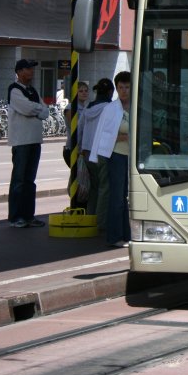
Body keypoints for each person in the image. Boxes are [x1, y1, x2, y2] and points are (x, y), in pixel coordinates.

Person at [90, 72, 131, 247]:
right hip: (117, 156)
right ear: (116, 88)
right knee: (117, 197)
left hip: (134, 158)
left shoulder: (137, 106)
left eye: (127, 87)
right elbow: (103, 134)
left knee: (126, 197)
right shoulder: (111, 109)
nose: (124, 91)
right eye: (121, 87)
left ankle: (127, 235)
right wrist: (123, 137)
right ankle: (115, 236)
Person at [7, 59, 49, 228]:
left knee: (30, 181)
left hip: (35, 140)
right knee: (19, 180)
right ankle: (15, 216)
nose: (31, 71)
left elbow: (46, 111)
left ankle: (28, 215)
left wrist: (36, 109)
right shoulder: (14, 89)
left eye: (32, 68)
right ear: (19, 72)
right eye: (27, 68)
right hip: (21, 141)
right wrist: (38, 109)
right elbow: (27, 108)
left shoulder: (33, 90)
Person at [79, 78, 114, 229]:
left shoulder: (88, 107)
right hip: (102, 152)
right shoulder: (110, 108)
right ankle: (101, 222)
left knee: (94, 188)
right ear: (110, 92)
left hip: (87, 152)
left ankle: (90, 218)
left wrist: (79, 149)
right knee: (104, 188)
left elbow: (80, 129)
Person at [63, 81, 90, 208]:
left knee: (82, 179)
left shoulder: (86, 107)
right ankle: (77, 206)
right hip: (73, 149)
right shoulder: (70, 107)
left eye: (86, 90)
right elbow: (75, 127)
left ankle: (81, 205)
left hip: (82, 149)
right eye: (81, 91)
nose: (84, 93)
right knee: (78, 178)